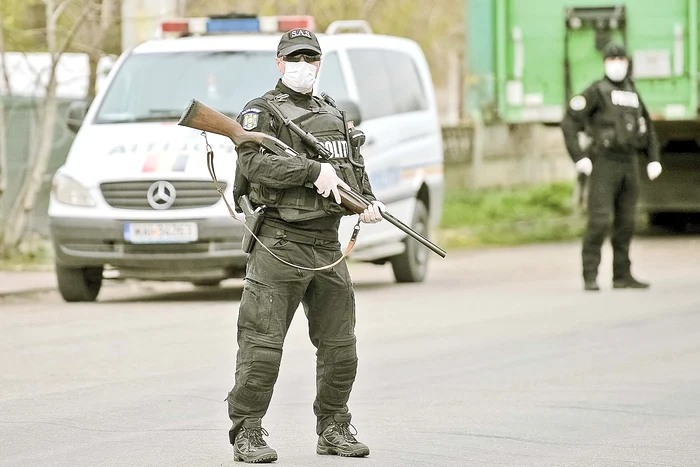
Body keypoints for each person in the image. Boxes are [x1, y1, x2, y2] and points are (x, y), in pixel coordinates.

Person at [225, 28, 384, 463]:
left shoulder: (332, 110)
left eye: (310, 59)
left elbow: (351, 165)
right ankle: (247, 433)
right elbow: (254, 163)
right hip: (279, 243)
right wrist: (309, 172)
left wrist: (367, 201)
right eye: (294, 59)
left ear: (318, 63)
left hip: (326, 247)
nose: (302, 66)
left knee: (341, 348)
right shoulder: (260, 112)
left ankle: (334, 428)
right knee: (261, 348)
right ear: (279, 63)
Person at [561, 42, 662, 292]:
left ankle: (622, 275)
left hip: (629, 161)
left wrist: (653, 157)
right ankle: (590, 275)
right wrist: (578, 157)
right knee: (599, 221)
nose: (617, 63)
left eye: (621, 59)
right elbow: (570, 122)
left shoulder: (632, 92)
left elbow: (647, 128)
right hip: (604, 162)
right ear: (605, 62)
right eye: (612, 59)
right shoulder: (597, 91)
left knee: (627, 222)